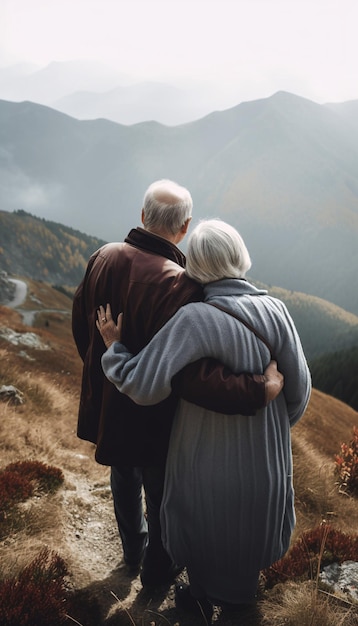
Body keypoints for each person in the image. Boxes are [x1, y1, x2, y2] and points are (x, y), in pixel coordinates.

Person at [72, 182, 283, 591]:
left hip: (110, 405)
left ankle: (132, 555)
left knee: (122, 476)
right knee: (161, 495)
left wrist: (102, 373)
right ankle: (155, 576)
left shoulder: (103, 256)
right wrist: (259, 388)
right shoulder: (183, 286)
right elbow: (194, 378)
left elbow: (82, 323)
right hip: (159, 416)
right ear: (184, 229)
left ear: (142, 216)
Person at [96, 218, 311, 619]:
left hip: (203, 463)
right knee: (245, 553)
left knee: (202, 532)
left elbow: (142, 384)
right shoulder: (278, 310)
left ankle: (197, 599)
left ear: (194, 264)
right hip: (267, 465)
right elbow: (299, 394)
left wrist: (113, 346)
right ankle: (237, 607)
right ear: (240, 255)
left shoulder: (194, 318)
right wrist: (269, 435)